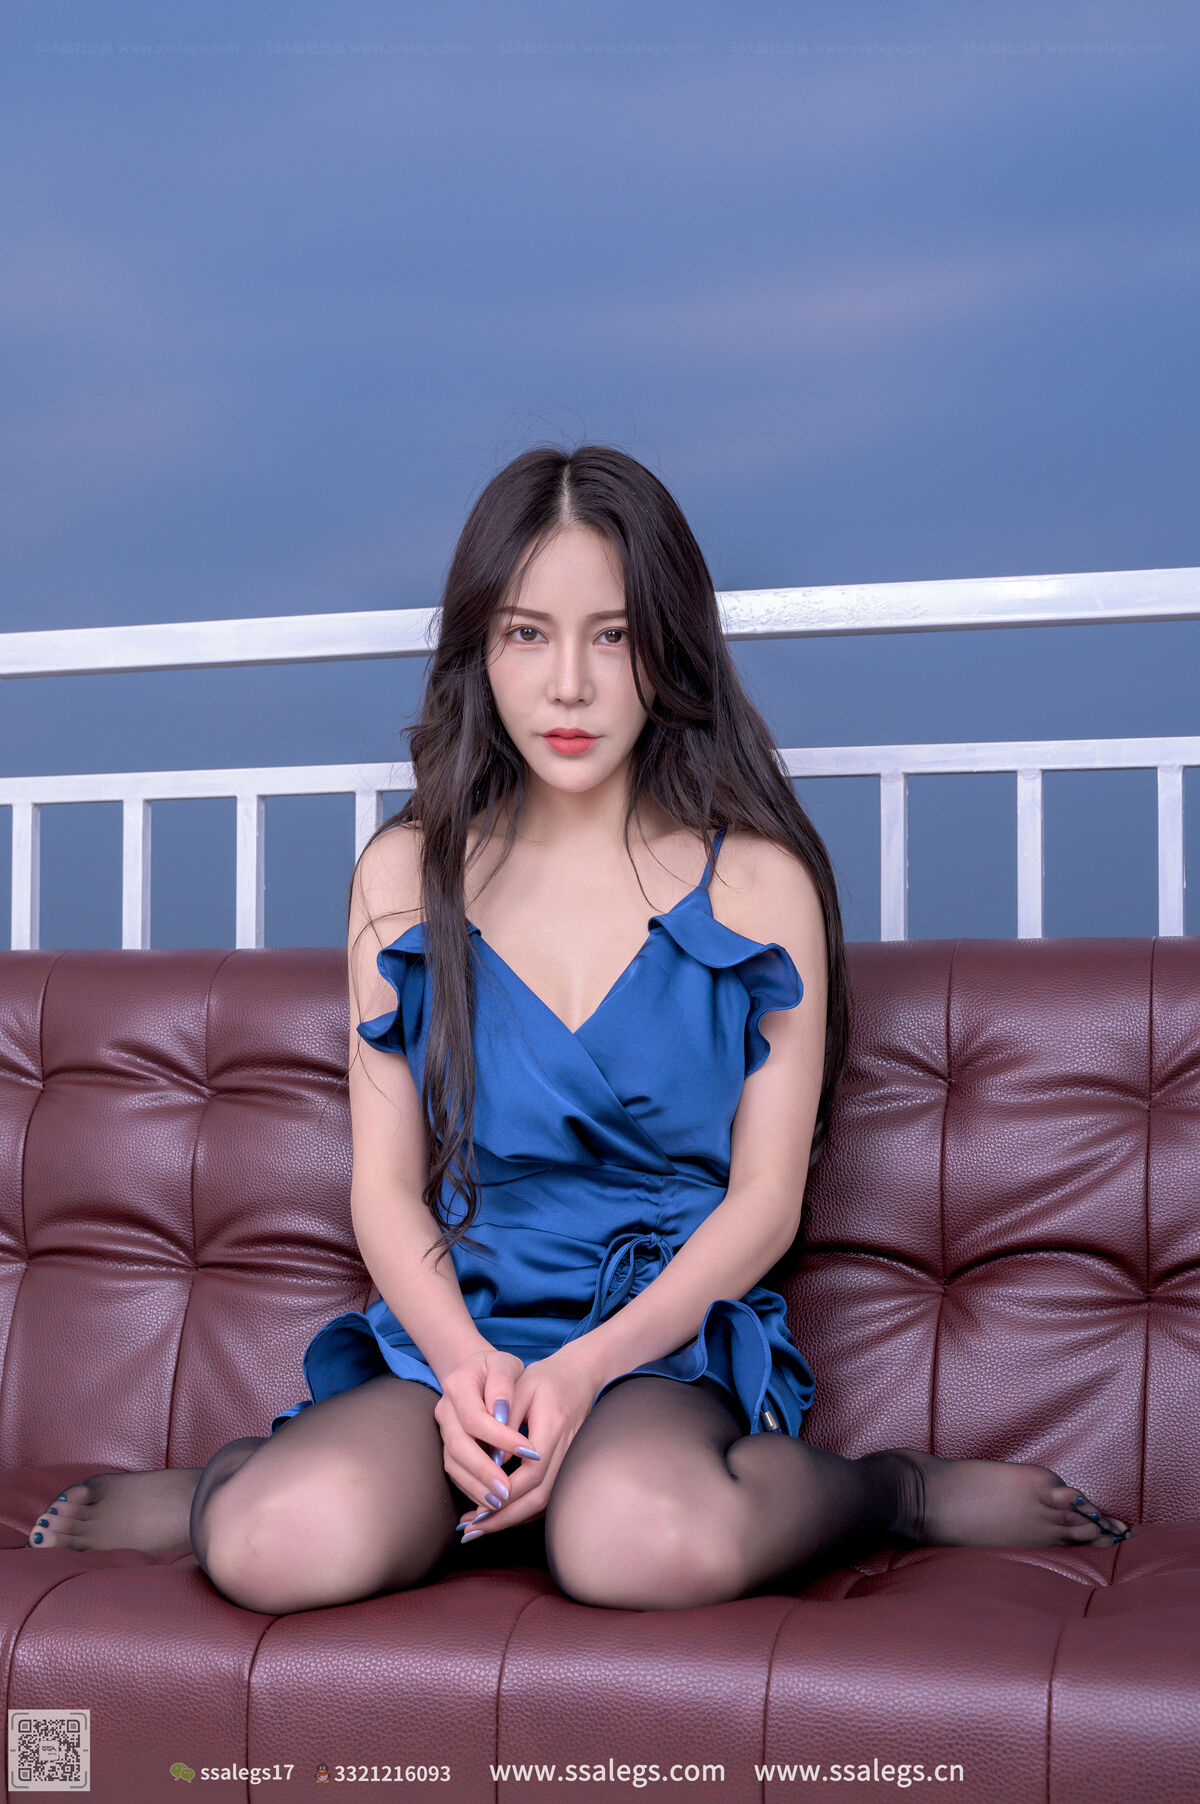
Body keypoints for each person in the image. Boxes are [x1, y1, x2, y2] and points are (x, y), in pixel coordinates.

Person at [26, 444, 1131, 1609]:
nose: (569, 685)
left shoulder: (759, 883)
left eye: (613, 635)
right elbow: (385, 1189)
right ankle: (222, 1484)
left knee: (635, 1545)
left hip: (660, 1337)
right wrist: (470, 1370)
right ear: (479, 649)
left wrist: (586, 1369)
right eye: (527, 633)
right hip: (468, 1327)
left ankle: (890, 1490)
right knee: (276, 1544)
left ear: (668, 645)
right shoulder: (406, 872)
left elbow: (766, 1201)